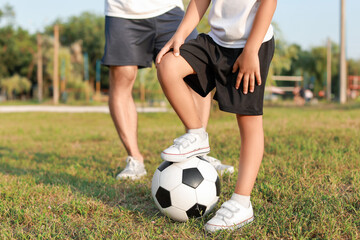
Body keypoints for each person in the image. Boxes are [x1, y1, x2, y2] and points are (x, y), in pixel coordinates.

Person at [156, 0, 276, 232]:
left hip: (251, 45)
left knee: (247, 120)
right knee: (168, 65)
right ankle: (196, 133)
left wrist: (251, 50)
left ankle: (242, 203)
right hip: (215, 42)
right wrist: (180, 34)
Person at [101, 0, 234, 180]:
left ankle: (198, 152)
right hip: (122, 12)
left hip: (170, 9)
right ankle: (135, 160)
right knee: (123, 76)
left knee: (196, 69)